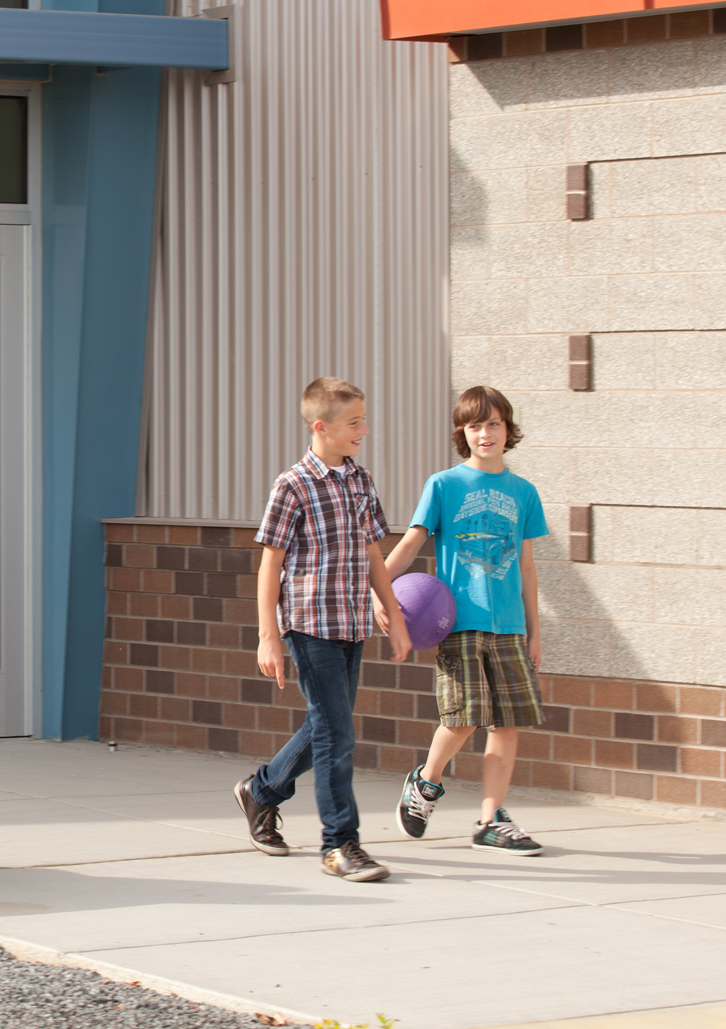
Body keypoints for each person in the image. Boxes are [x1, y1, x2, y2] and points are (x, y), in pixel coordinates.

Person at [232, 377, 412, 882]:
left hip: (352, 622)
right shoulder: (292, 485)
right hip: (309, 625)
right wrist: (269, 635)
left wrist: (393, 614)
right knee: (337, 734)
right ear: (322, 426)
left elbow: (373, 551)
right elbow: (271, 563)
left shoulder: (359, 479)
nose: (365, 429)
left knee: (325, 726)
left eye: (363, 419)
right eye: (355, 422)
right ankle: (340, 844)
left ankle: (261, 791)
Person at [386, 385, 548, 855]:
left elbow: (529, 566)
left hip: (511, 627)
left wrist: (535, 631)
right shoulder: (444, 485)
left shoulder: (524, 492)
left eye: (493, 423)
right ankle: (425, 783)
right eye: (475, 425)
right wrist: (376, 588)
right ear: (464, 433)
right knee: (462, 719)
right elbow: (413, 542)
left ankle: (490, 819)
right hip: (457, 622)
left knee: (507, 724)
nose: (485, 433)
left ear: (507, 429)